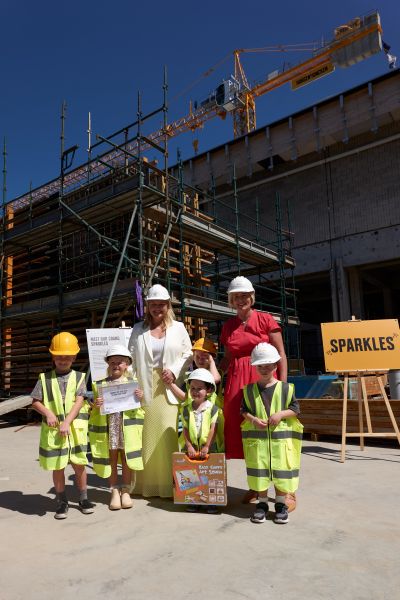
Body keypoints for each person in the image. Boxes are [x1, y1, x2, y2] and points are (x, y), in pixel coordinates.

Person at [220, 276, 288, 493]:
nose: (240, 300)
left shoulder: (266, 320)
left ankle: (285, 491)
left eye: (244, 296)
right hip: (236, 383)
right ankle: (256, 488)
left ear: (252, 297)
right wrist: (204, 371)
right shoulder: (229, 326)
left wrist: (283, 387)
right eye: (236, 297)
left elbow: (281, 354)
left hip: (264, 380)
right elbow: (228, 358)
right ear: (231, 300)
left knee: (273, 435)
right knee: (245, 433)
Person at [128, 284, 193, 498]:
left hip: (168, 388)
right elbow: (130, 360)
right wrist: (131, 386)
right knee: (145, 436)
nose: (157, 308)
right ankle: (145, 486)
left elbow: (188, 354)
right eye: (153, 304)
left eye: (161, 304)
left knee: (167, 436)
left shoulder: (179, 328)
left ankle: (169, 486)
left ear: (168, 305)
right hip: (144, 388)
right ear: (147, 306)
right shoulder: (138, 329)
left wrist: (174, 372)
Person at [31, 332, 94, 520]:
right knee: (57, 467)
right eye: (59, 356)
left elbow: (79, 401)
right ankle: (62, 502)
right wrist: (48, 413)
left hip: (74, 430)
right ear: (53, 356)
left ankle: (83, 498)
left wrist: (67, 422)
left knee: (79, 465)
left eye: (67, 357)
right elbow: (35, 401)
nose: (63, 360)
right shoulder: (44, 378)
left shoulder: (80, 377)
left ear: (74, 357)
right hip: (54, 432)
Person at [241, 343, 302, 525]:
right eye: (261, 366)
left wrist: (281, 415)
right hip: (259, 445)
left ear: (275, 366)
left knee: (281, 473)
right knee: (260, 473)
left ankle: (281, 505)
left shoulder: (285, 389)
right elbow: (243, 410)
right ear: (255, 367)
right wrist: (252, 419)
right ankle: (262, 504)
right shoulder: (249, 390)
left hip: (280, 444)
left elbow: (295, 409)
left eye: (268, 366)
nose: (264, 369)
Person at [89, 345, 145, 510]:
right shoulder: (99, 385)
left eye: (120, 362)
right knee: (111, 459)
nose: (116, 365)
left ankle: (126, 490)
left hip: (126, 428)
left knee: (126, 459)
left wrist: (140, 398)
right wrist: (96, 404)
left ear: (127, 364)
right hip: (110, 427)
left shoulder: (133, 384)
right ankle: (114, 490)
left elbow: (139, 408)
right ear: (108, 364)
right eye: (112, 362)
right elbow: (91, 408)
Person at [180, 368, 219, 514]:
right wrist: (189, 445)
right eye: (192, 388)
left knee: (208, 475)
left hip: (208, 448)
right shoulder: (185, 409)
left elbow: (213, 429)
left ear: (208, 390)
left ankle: (211, 502)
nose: (195, 392)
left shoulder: (213, 409)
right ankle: (194, 501)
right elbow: (184, 428)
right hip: (192, 448)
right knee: (191, 476)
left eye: (200, 388)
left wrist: (207, 446)